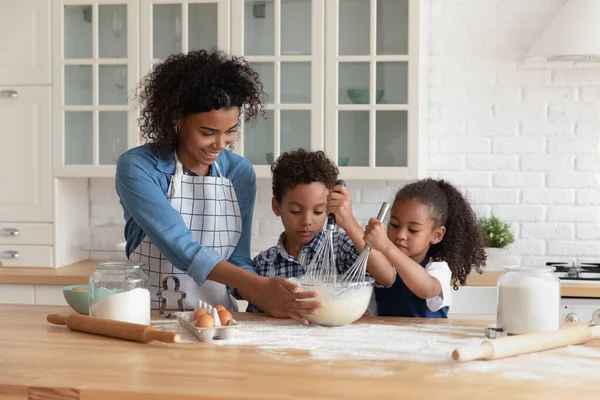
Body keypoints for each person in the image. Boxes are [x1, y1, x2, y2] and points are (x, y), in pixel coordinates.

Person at [115, 49, 321, 322]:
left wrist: (273, 297)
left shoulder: (239, 173)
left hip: (220, 322)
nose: (221, 144)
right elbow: (182, 249)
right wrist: (259, 286)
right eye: (207, 133)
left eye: (230, 130)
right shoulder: (139, 168)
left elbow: (238, 260)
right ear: (177, 118)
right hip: (149, 320)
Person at [248, 149, 396, 313]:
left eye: (318, 211)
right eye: (296, 211)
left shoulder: (342, 248)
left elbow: (387, 277)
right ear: (277, 207)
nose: (307, 221)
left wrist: (348, 221)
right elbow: (256, 317)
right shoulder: (263, 264)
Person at [363, 178, 486, 318]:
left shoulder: (438, 268)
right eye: (394, 225)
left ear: (437, 235)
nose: (401, 235)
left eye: (413, 230)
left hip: (432, 338)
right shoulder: (379, 266)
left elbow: (427, 289)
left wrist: (386, 247)